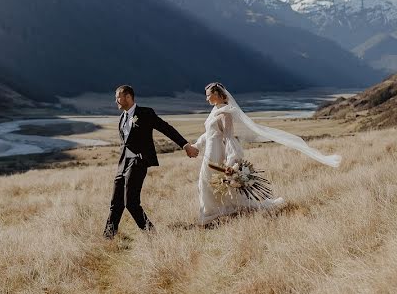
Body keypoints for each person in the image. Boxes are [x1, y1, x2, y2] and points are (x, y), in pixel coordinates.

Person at [189, 82, 340, 225]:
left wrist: (231, 160)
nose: (206, 98)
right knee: (204, 184)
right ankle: (211, 213)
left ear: (217, 94)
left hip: (216, 153)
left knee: (207, 183)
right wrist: (196, 145)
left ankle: (213, 215)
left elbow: (228, 137)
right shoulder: (215, 111)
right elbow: (209, 133)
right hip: (209, 150)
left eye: (209, 95)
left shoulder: (225, 113)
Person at [104, 85, 198, 239]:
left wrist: (185, 145)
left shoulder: (146, 113)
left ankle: (152, 235)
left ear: (128, 97)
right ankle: (108, 238)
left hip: (138, 161)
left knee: (131, 203)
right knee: (116, 203)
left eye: (118, 97)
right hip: (123, 164)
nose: (116, 101)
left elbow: (166, 128)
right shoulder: (122, 117)